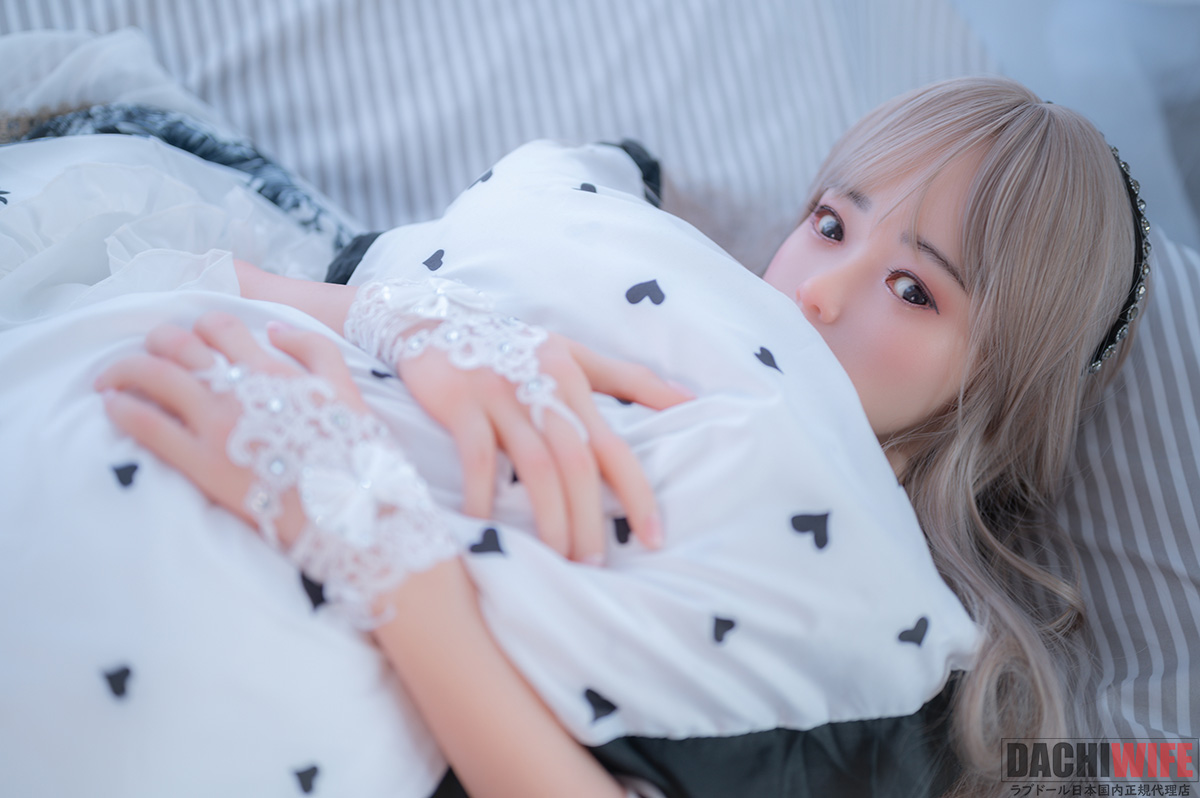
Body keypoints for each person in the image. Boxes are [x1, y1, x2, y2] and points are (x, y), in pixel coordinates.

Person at [5, 76, 1146, 797]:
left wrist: (383, 552)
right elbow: (223, 278)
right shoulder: (632, 264)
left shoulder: (889, 641)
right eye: (830, 221)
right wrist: (409, 321)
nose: (819, 289)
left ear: (1001, 388)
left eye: (915, 290)